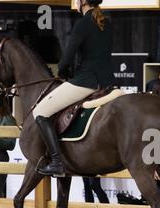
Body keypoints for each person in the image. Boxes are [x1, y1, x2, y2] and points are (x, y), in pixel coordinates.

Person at [32, 0, 114, 177]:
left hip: (86, 81)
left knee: (40, 112)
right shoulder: (106, 23)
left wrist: (61, 71)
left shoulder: (82, 24)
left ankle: (56, 162)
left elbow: (67, 57)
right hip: (107, 82)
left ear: (83, 2)